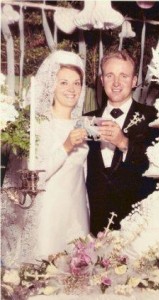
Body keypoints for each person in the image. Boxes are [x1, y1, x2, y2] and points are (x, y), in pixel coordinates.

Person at [1, 50, 90, 264]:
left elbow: (82, 176)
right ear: (52, 85)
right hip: (47, 217)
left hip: (76, 213)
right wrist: (66, 146)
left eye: (77, 83)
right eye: (64, 83)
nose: (72, 89)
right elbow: (34, 176)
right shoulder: (39, 125)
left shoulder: (83, 125)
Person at [85, 50, 159, 236]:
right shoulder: (86, 120)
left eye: (124, 76)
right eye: (110, 75)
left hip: (138, 226)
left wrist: (124, 143)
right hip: (93, 226)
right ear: (102, 80)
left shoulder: (154, 117)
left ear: (134, 81)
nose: (117, 83)